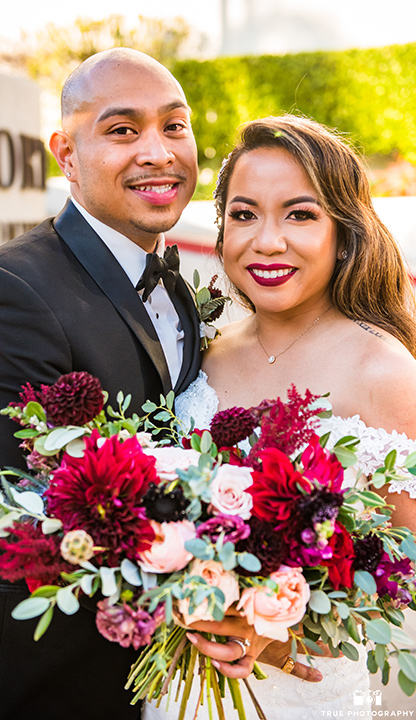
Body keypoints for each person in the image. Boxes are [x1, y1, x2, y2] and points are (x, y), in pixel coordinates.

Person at [0, 48, 203, 720]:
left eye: (175, 126)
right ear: (65, 153)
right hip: (30, 678)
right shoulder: (4, 290)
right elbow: (24, 501)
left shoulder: (178, 288)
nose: (158, 151)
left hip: (147, 673)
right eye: (122, 130)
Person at [144, 115, 416, 719]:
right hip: (176, 691)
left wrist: (280, 632)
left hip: (303, 695)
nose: (266, 241)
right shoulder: (201, 351)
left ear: (345, 231)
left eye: (299, 214)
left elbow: (406, 574)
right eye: (244, 215)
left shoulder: (384, 370)